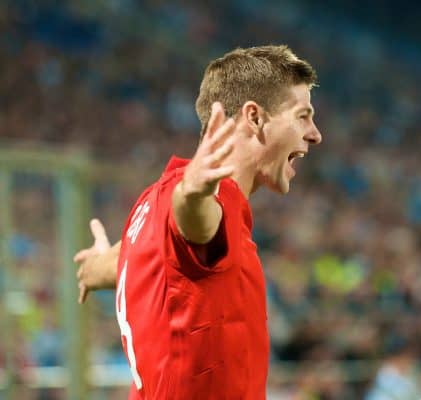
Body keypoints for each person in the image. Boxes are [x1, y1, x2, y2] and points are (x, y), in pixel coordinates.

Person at [73, 45, 322, 399]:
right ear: (254, 117)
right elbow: (195, 220)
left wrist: (93, 267)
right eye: (302, 116)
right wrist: (195, 190)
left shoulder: (149, 205)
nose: (315, 133)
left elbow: (118, 264)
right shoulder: (210, 203)